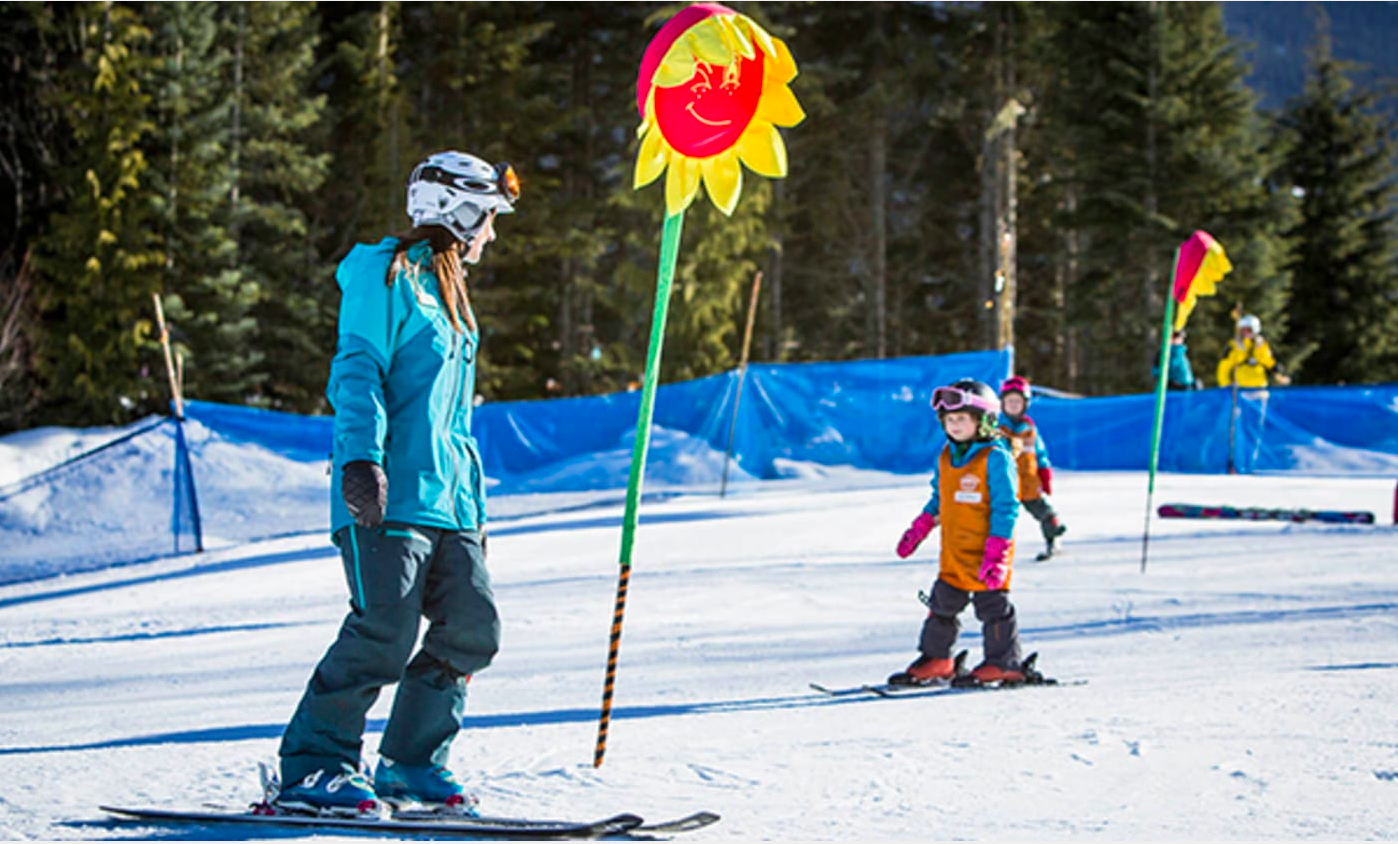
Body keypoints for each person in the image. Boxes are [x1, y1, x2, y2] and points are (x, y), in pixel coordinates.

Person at [275, 150, 520, 817]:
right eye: (488, 218)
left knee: (473, 628)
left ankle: (411, 762)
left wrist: (474, 515)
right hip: (390, 496)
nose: (491, 234)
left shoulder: (451, 300)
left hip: (449, 504)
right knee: (384, 631)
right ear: (459, 212)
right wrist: (360, 460)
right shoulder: (385, 275)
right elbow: (358, 370)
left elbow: (453, 425)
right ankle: (314, 765)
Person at [890, 378, 1025, 685]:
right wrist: (918, 529)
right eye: (949, 420)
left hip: (988, 551)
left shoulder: (995, 457)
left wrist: (998, 553)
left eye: (962, 419)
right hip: (954, 551)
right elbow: (939, 499)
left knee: (992, 607)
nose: (954, 425)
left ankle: (1004, 662)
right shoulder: (947, 456)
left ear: (985, 421)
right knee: (942, 603)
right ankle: (939, 659)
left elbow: (1007, 508)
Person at [996, 376, 1067, 561]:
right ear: (1002, 403)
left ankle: (1053, 539)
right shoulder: (997, 427)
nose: (1013, 405)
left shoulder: (1030, 429)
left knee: (1044, 513)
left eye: (1017, 401)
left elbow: (1040, 454)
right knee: (999, 518)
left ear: (1025, 404)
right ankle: (992, 550)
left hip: (1028, 481)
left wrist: (1045, 475)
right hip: (1004, 483)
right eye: (1009, 401)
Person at [1217, 314, 1289, 388]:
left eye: (1248, 330)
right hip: (1241, 389)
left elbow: (1269, 362)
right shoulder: (1234, 345)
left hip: (1260, 387)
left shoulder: (1261, 345)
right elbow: (1224, 368)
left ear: (1255, 329)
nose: (1245, 332)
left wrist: (1278, 374)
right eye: (1243, 329)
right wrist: (1225, 385)